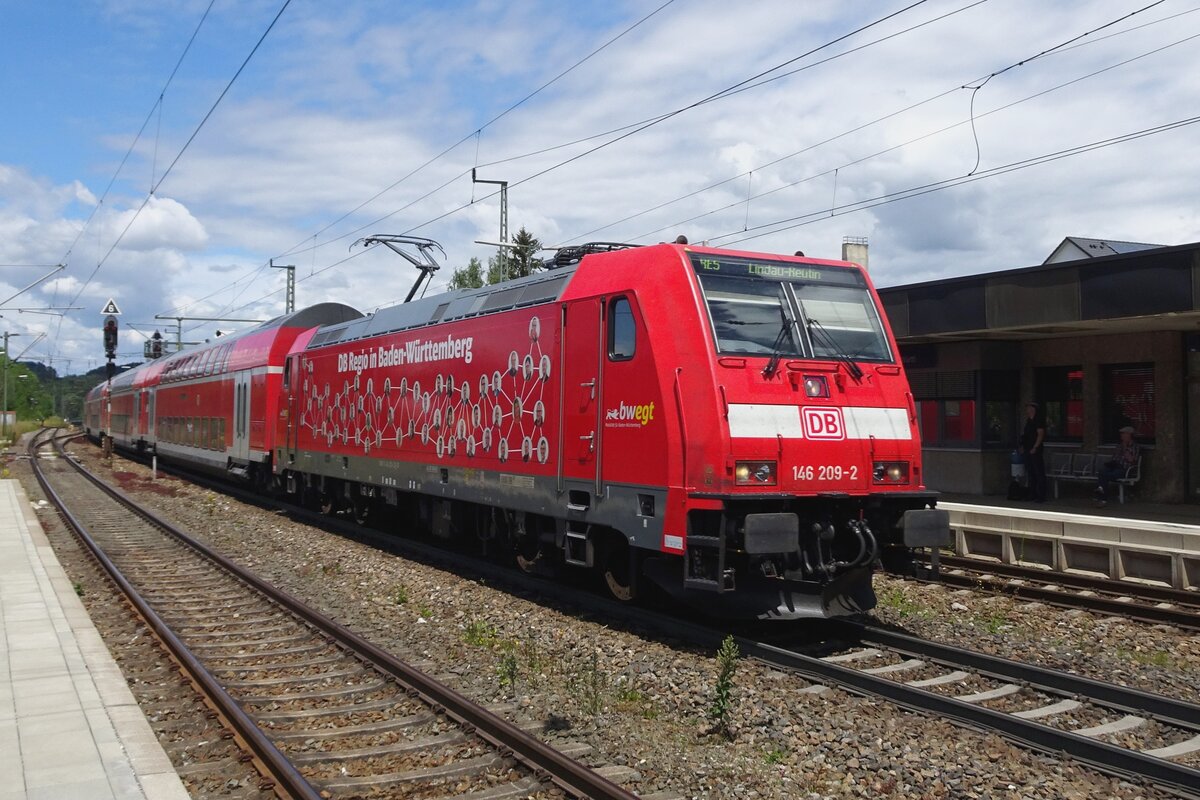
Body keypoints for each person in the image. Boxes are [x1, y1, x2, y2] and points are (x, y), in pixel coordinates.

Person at [1095, 426, 1140, 507]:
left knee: (1105, 476)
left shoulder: (1135, 446)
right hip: (1115, 466)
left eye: (1124, 434)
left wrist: (1126, 448)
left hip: (1125, 469)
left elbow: (1132, 460)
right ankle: (1102, 496)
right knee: (1102, 472)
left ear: (1129, 435)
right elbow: (1115, 458)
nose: (1122, 436)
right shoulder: (1119, 446)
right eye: (1121, 434)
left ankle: (1102, 497)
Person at [1019, 401, 1046, 502]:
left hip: (1035, 450)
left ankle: (1041, 495)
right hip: (1027, 449)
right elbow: (1025, 435)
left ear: (1033, 409)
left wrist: (1035, 447)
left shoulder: (1038, 420)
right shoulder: (1028, 421)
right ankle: (1032, 494)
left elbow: (1040, 434)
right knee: (1030, 472)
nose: (1027, 410)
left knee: (1039, 472)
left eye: (1029, 408)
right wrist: (1022, 445)